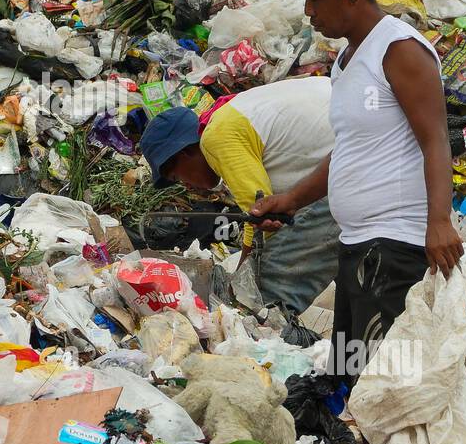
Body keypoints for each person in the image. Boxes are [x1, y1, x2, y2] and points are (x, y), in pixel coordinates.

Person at [250, 0, 462, 380]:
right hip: (355, 246)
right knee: (352, 378)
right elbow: (348, 151)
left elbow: (436, 141)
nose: (308, 12)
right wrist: (290, 199)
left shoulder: (399, 50)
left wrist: (439, 221)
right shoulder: (347, 60)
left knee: (386, 382)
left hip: (395, 247)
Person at [139, 77, 337, 316]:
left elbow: (260, 217)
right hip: (363, 152)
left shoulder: (215, 137)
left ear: (184, 152)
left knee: (267, 287)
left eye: (176, 176)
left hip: (357, 167)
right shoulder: (231, 114)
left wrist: (242, 279)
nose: (186, 186)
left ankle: (272, 343)